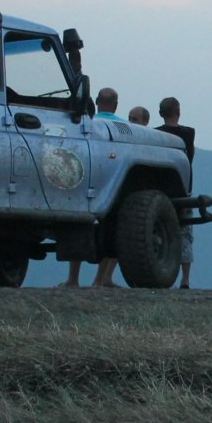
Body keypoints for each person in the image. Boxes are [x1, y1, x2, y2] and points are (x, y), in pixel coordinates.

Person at [65, 86, 123, 287]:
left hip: (85, 184)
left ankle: (73, 278)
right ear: (116, 105)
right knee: (113, 231)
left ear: (97, 102)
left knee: (79, 228)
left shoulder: (89, 124)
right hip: (113, 187)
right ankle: (101, 278)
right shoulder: (123, 128)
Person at [157, 96, 197, 289]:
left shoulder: (154, 134)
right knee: (185, 233)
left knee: (158, 229)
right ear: (178, 112)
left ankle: (158, 270)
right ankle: (185, 278)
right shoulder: (188, 133)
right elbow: (190, 158)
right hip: (183, 188)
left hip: (159, 189)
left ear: (160, 113)